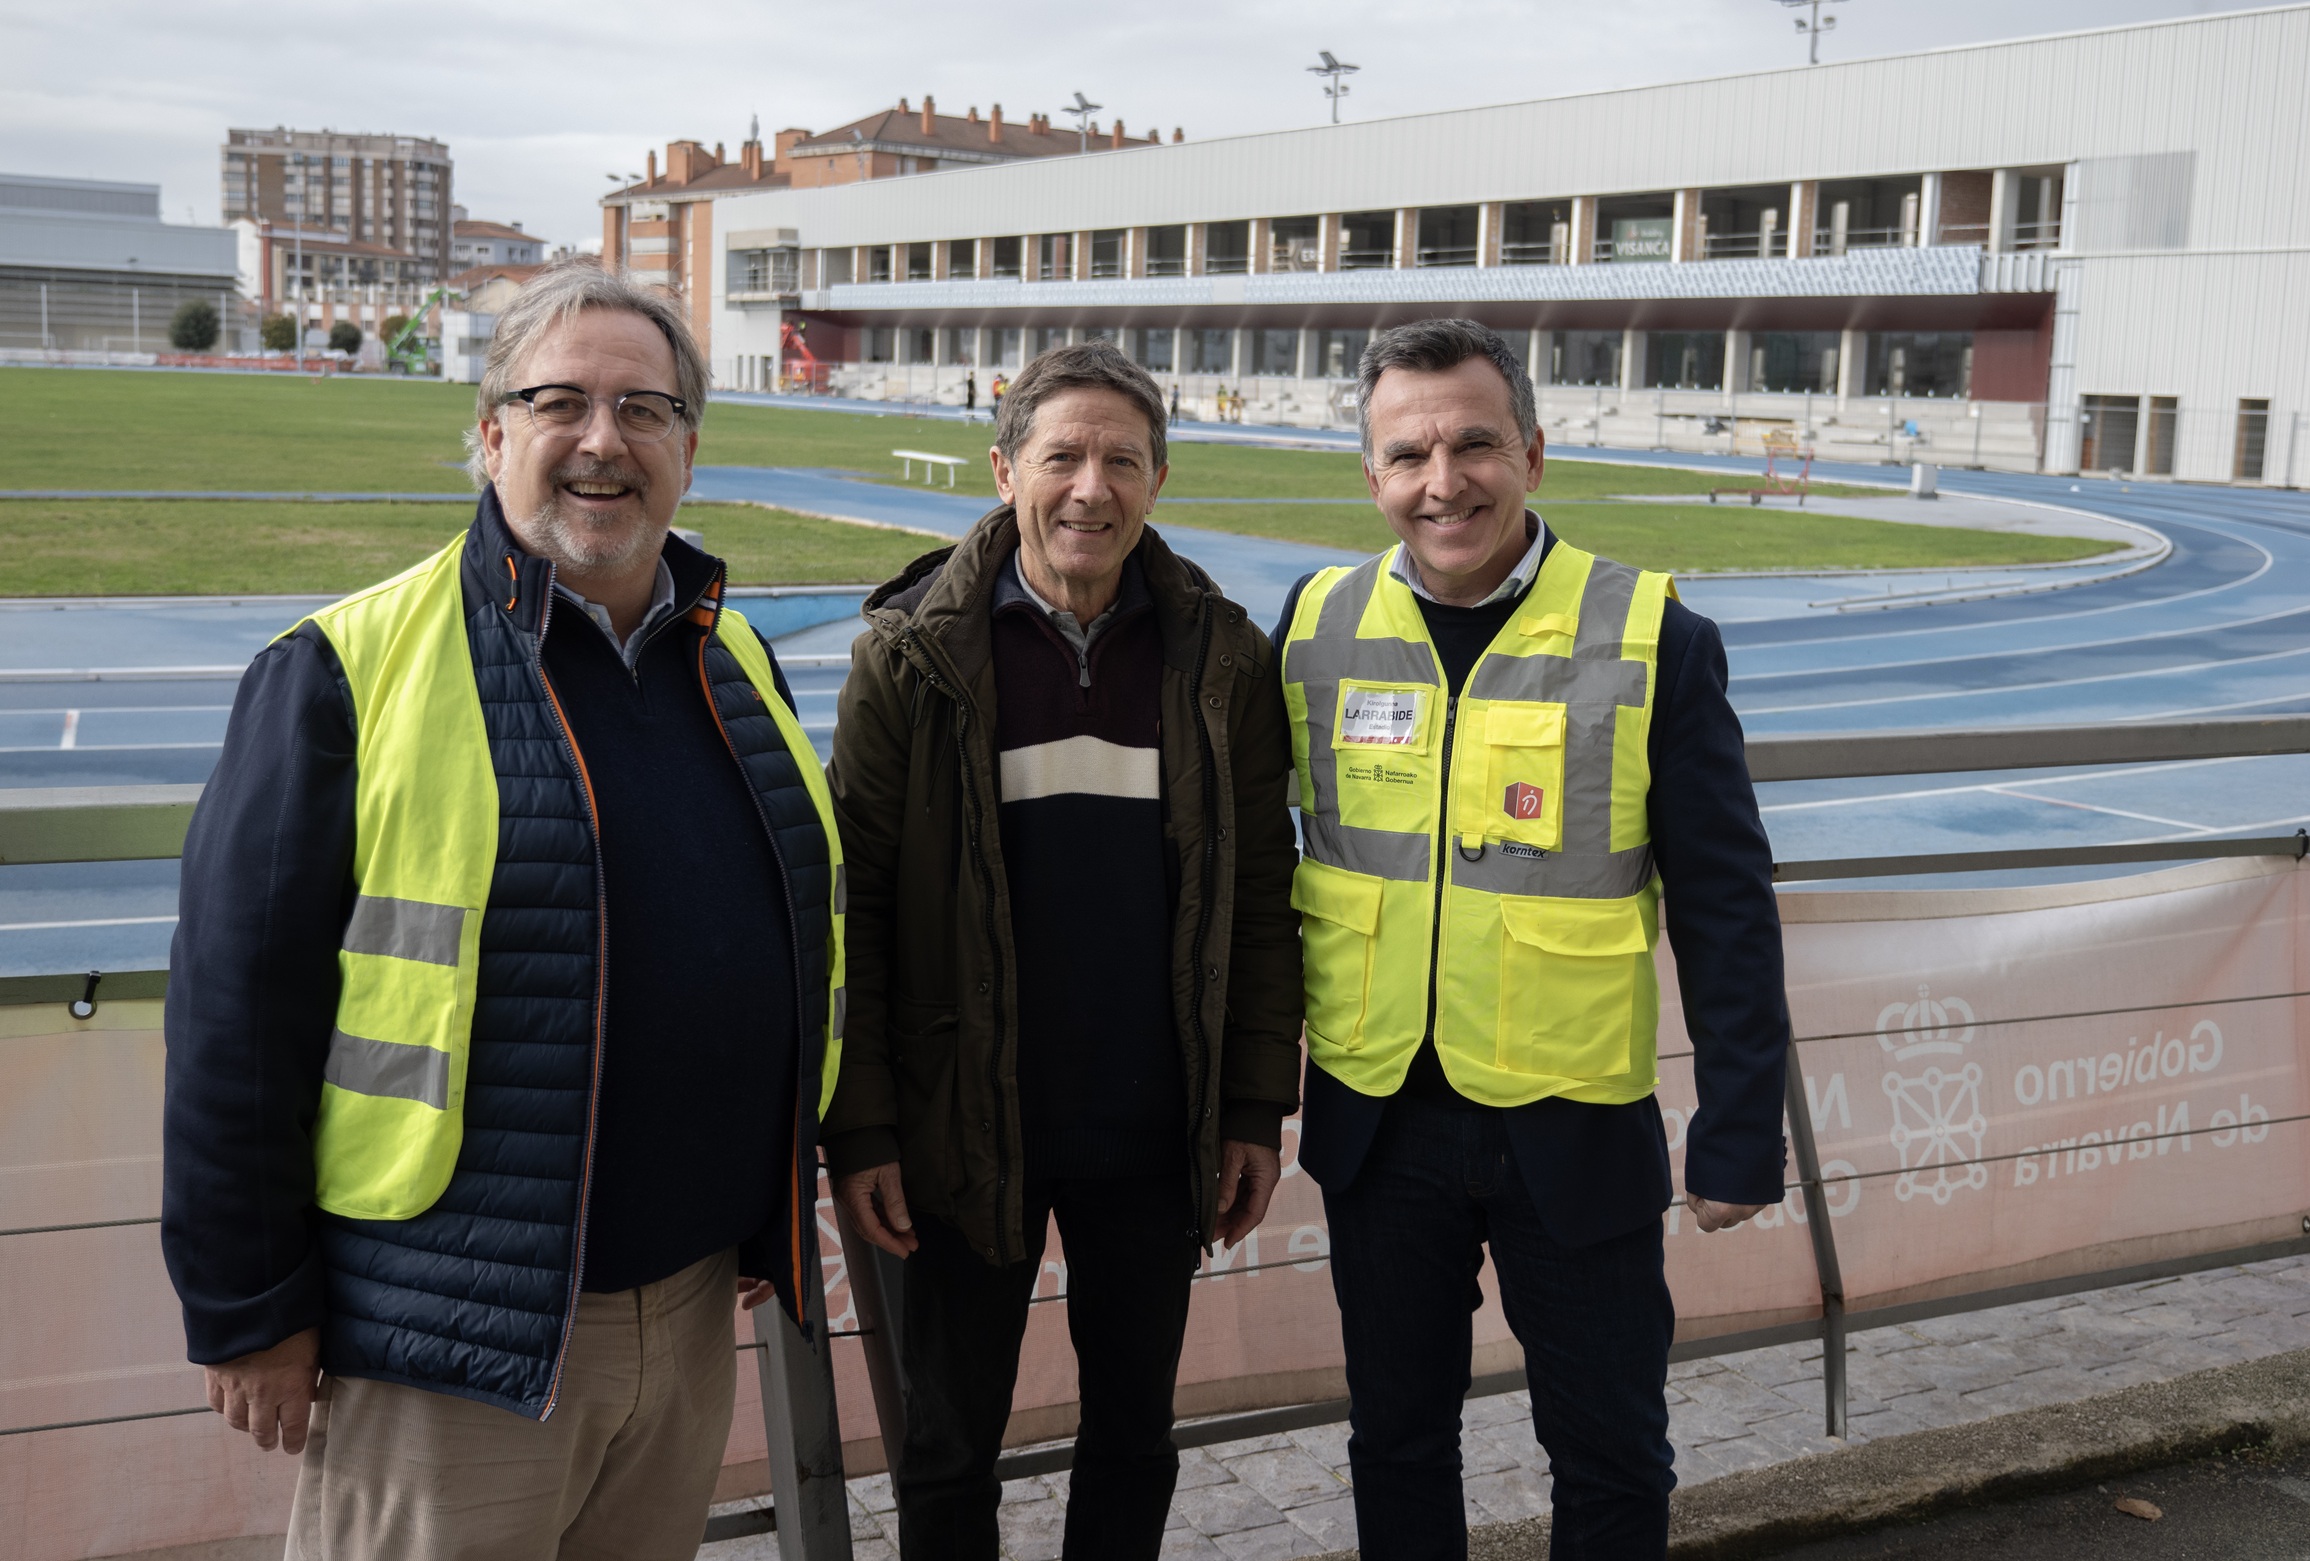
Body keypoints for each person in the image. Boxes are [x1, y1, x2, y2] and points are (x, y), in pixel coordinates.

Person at [160, 258, 845, 1561]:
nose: (603, 441)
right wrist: (248, 1303)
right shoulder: (341, 670)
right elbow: (235, 1018)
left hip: (690, 1306)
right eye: (558, 403)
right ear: (489, 436)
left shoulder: (736, 660)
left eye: (643, 410)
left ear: (688, 451)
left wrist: (762, 1196)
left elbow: (787, 953)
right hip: (455, 1339)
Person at [1274, 319, 1787, 1560]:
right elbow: (1261, 877)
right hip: (1379, 1113)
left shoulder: (1654, 633)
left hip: (1574, 1123)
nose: (1441, 482)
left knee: (1611, 1452)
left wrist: (1737, 1127)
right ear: (1372, 475)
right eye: (1408, 453)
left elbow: (1726, 899)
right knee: (1395, 1440)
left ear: (1535, 455)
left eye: (1474, 444)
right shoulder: (1313, 621)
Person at [824, 340, 1304, 1560]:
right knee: (946, 1447)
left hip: (1153, 1128)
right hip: (957, 1124)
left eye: (1123, 460)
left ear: (1157, 481)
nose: (1091, 487)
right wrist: (865, 1128)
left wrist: (1254, 1101)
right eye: (1063, 456)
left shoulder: (1226, 659)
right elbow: (858, 909)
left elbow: (1260, 898)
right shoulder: (906, 657)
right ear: (1003, 472)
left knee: (1136, 1434)